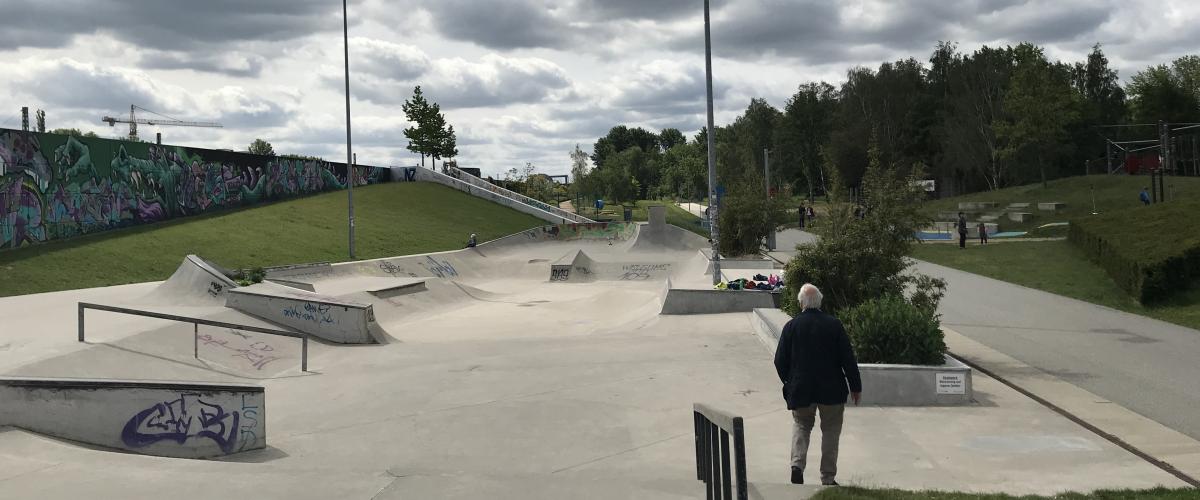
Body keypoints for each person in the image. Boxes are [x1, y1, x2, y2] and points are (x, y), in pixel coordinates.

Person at [773, 284, 862, 486]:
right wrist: (855, 387)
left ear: (801, 302)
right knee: (831, 430)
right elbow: (848, 359)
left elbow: (780, 361)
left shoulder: (791, 326)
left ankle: (797, 465)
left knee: (801, 425)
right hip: (832, 390)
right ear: (819, 302)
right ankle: (828, 477)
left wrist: (790, 381)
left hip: (801, 389)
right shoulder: (834, 325)